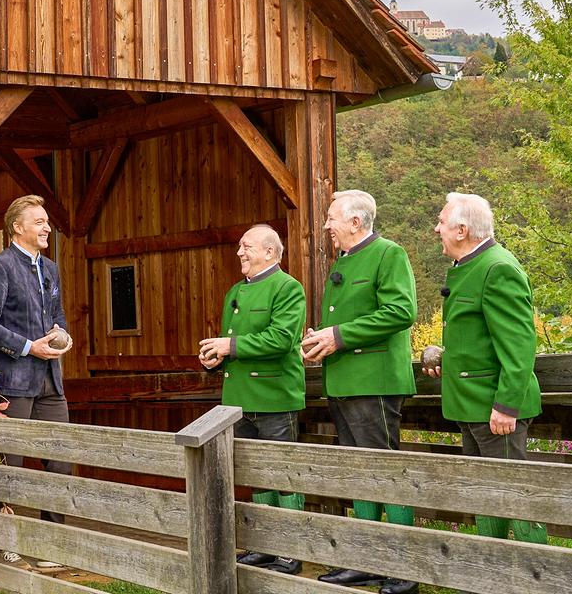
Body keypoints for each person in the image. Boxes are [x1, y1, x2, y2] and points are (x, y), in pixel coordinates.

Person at [300, 190, 419, 594]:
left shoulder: (389, 254)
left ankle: (404, 570)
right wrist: (321, 339)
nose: (327, 225)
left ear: (355, 222)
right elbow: (344, 324)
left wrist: (340, 335)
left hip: (375, 384)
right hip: (344, 384)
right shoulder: (344, 261)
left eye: (332, 218)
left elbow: (402, 312)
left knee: (386, 472)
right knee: (358, 473)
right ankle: (365, 563)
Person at [423, 192, 547, 544]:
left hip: (495, 409)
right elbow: (480, 341)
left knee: (514, 497)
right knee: (485, 496)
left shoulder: (498, 267)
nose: (437, 229)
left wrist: (507, 405)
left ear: (462, 230)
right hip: (472, 405)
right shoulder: (469, 267)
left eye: (442, 223)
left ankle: (537, 576)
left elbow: (519, 346)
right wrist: (447, 358)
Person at [0, 194, 73, 569]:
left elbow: (56, 314)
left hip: (51, 381)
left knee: (60, 459)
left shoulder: (50, 268)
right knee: (9, 463)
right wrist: (30, 347)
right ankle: (3, 544)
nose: (47, 228)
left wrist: (62, 336)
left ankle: (50, 545)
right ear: (18, 227)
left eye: (47, 222)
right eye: (40, 222)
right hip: (10, 380)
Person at [197, 224, 306, 575]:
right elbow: (233, 344)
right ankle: (262, 546)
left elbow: (282, 339)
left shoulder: (288, 288)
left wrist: (230, 346)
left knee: (282, 476)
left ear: (270, 253)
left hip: (275, 398)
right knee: (256, 476)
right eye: (240, 246)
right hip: (239, 401)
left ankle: (290, 550)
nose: (240, 252)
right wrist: (216, 359)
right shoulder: (234, 291)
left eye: (247, 247)